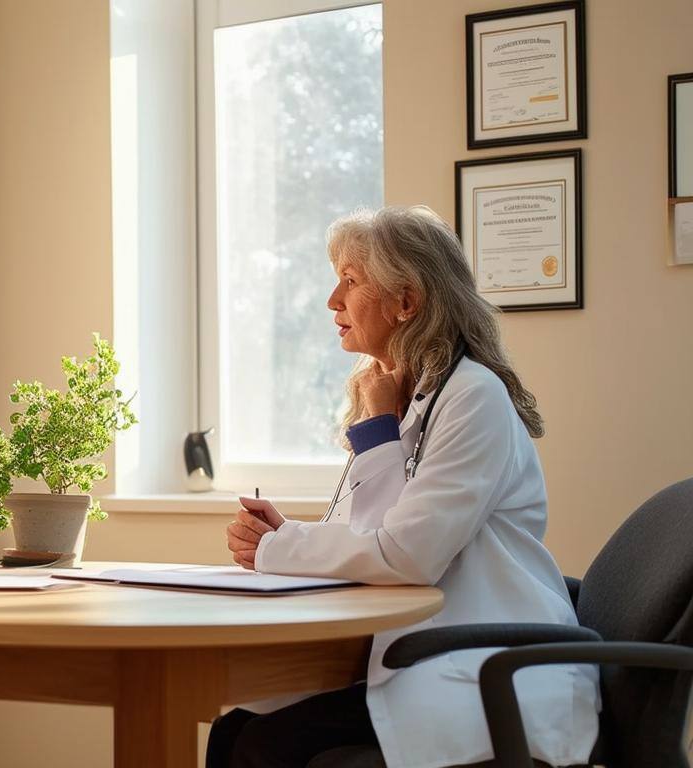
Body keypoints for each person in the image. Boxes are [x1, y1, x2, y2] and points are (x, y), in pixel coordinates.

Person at [208, 206, 599, 768]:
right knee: (236, 729)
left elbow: (406, 555)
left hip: (479, 670)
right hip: (422, 654)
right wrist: (288, 535)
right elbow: (371, 537)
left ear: (406, 302)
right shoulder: (409, 397)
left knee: (262, 745)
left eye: (351, 279)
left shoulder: (472, 396)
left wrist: (281, 544)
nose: (331, 300)